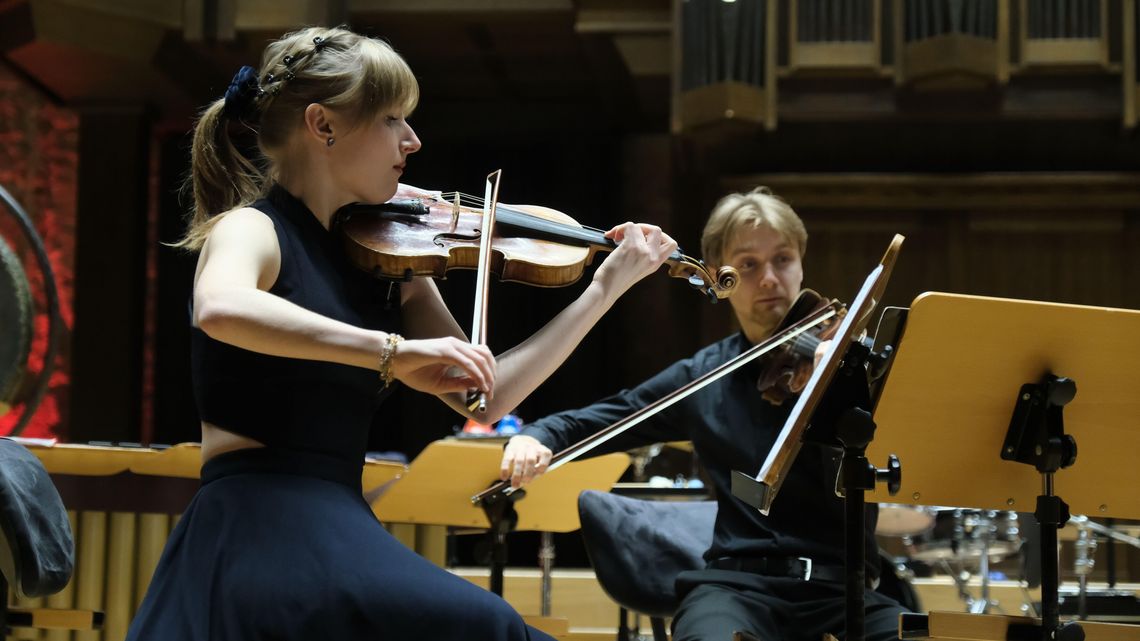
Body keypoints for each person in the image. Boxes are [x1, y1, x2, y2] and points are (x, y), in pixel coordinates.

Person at [125, 26, 677, 641]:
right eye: (392, 119)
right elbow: (221, 307)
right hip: (259, 521)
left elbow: (485, 398)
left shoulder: (391, 261)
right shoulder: (254, 229)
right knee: (489, 626)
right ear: (323, 125)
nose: (412, 141)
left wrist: (605, 290)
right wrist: (393, 352)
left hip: (336, 519)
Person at [499, 188, 909, 641]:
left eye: (783, 259)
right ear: (719, 277)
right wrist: (535, 436)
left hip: (845, 591)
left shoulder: (855, 365)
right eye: (748, 265)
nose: (770, 278)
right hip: (737, 587)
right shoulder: (704, 375)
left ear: (801, 262)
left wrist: (852, 378)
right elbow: (598, 419)